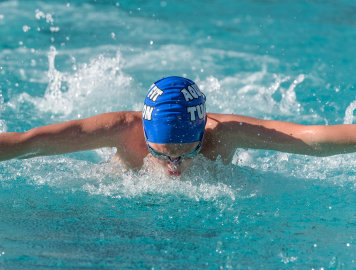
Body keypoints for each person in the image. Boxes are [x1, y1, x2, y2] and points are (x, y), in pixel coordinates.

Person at [0, 76, 355, 177]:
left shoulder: (224, 131)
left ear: (203, 135)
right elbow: (25, 143)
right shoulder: (121, 130)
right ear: (145, 137)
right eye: (163, 155)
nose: (174, 169)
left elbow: (312, 140)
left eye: (188, 154)